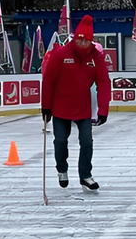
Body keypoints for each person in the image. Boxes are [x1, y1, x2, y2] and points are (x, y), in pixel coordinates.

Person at [40, 15, 111, 190]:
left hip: (83, 109)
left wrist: (103, 110)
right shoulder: (61, 54)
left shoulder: (96, 57)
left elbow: (103, 82)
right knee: (61, 141)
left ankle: (85, 175)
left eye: (85, 41)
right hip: (60, 108)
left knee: (86, 142)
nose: (82, 45)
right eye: (79, 41)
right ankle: (62, 169)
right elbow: (49, 80)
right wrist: (46, 107)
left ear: (91, 41)